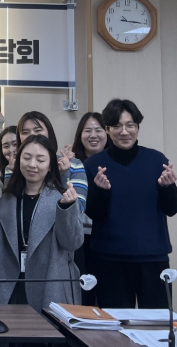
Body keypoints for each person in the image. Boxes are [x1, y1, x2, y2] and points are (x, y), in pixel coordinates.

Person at [86, 99, 177, 309]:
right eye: (117, 126)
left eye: (130, 125)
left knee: (157, 323)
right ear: (107, 129)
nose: (124, 132)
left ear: (137, 127)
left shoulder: (157, 160)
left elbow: (171, 209)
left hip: (153, 258)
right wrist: (101, 192)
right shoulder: (94, 165)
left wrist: (168, 187)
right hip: (109, 259)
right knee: (115, 324)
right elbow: (94, 215)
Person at [0, 134, 83, 312]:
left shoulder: (62, 198)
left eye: (40, 160)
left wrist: (67, 209)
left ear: (50, 166)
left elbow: (73, 243)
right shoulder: (6, 200)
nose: (32, 164)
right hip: (11, 284)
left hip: (50, 283)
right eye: (26, 158)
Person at [15, 111, 88, 215]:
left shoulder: (74, 165)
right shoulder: (15, 166)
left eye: (38, 130)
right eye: (25, 132)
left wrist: (59, 175)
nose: (32, 135)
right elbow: (9, 205)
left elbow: (78, 210)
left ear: (49, 133)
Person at [70, 112, 108, 306]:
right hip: (79, 239)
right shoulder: (71, 164)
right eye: (87, 130)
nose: (93, 135)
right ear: (80, 135)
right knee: (83, 294)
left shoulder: (115, 163)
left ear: (107, 133)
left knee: (107, 293)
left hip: (107, 238)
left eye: (98, 130)